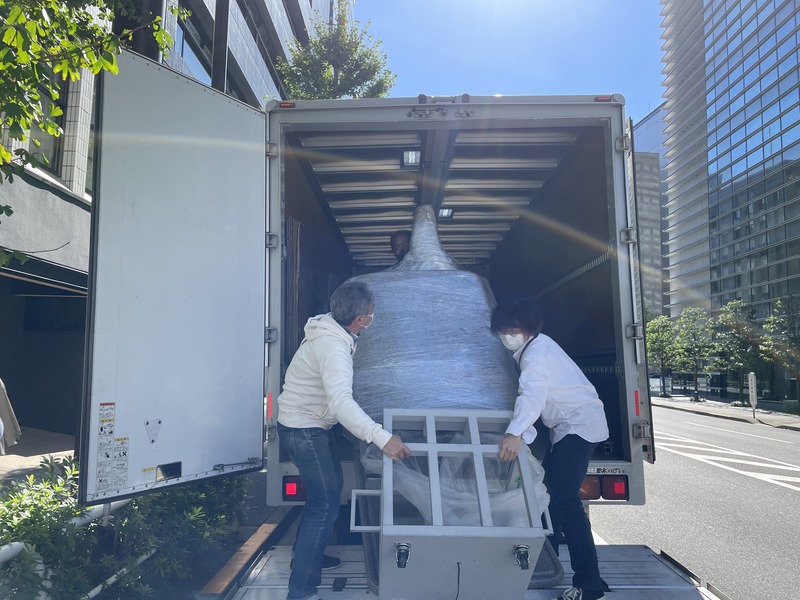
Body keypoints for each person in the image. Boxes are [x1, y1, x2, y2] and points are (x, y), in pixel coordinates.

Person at [277, 281, 411, 600]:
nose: (373, 317)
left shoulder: (332, 330)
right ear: (359, 319)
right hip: (303, 429)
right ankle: (301, 591)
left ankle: (306, 557)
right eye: (371, 313)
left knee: (326, 495)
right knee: (325, 505)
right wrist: (382, 437)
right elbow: (341, 403)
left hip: (309, 425)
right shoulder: (333, 347)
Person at [492, 299, 609, 600]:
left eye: (514, 330)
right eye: (503, 330)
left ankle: (589, 585)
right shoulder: (534, 347)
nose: (508, 336)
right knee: (548, 496)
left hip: (578, 427)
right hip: (572, 427)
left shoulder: (536, 354)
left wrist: (514, 433)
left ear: (530, 328)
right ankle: (548, 564)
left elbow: (532, 395)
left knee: (565, 501)